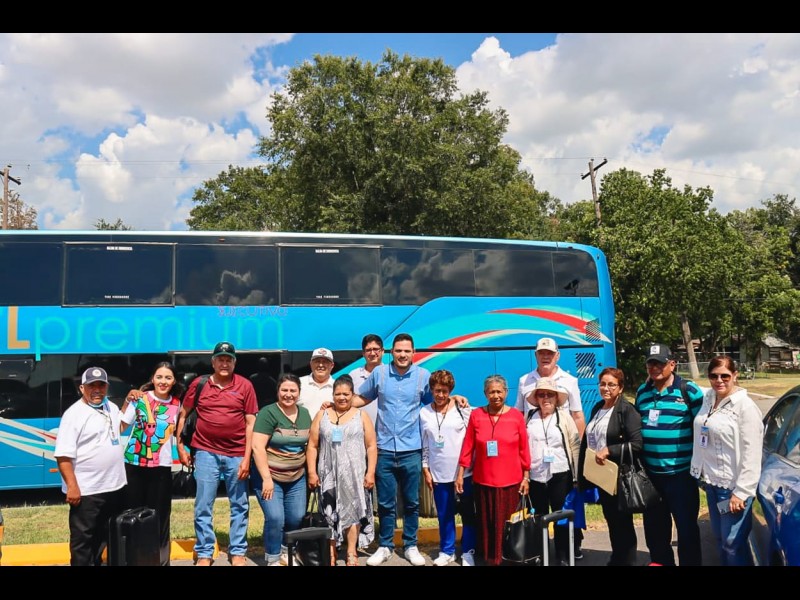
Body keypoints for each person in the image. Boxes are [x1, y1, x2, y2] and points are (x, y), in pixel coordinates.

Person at [352, 332, 432, 567]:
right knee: (386, 503)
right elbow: (362, 398)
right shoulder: (379, 373)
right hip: (384, 448)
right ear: (391, 352)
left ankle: (410, 545)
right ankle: (385, 546)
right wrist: (338, 404)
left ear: (413, 352)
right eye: (398, 351)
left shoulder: (423, 376)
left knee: (411, 502)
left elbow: (435, 402)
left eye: (407, 351)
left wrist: (454, 398)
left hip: (411, 449)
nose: (403, 355)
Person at [176, 341, 258, 567]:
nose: (224, 363)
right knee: (203, 505)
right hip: (205, 452)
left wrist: (247, 458)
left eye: (228, 359)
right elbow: (183, 414)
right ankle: (204, 552)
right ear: (213, 362)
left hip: (237, 453)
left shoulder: (245, 386)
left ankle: (237, 551)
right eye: (220, 359)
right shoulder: (199, 384)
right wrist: (180, 446)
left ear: (234, 363)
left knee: (239, 504)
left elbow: (251, 423)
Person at [514, 337, 587, 557]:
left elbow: (577, 417)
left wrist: (578, 464)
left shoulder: (569, 381)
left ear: (557, 355)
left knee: (563, 509)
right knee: (538, 513)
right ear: (536, 355)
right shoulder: (524, 380)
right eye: (541, 353)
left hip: (560, 465)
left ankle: (568, 550)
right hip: (536, 465)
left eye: (550, 353)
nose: (545, 356)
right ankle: (541, 553)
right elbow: (518, 416)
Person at [635, 343, 704, 566]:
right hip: (651, 477)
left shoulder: (689, 390)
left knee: (687, 530)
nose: (655, 368)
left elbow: (703, 428)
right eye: (651, 363)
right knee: (655, 531)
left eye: (660, 363)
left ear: (672, 364)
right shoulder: (642, 392)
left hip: (681, 476)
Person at [690, 356, 763, 566]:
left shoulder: (745, 407)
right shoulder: (709, 397)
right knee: (721, 539)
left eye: (725, 376)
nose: (719, 380)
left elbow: (752, 453)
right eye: (714, 376)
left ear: (735, 376)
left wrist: (741, 491)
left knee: (733, 543)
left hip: (732, 490)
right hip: (712, 485)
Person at [54, 366, 127, 566]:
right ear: (82, 388)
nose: (97, 390)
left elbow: (118, 428)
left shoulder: (110, 406)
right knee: (83, 541)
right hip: (87, 491)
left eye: (101, 385)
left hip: (113, 487)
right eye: (91, 386)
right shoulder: (73, 415)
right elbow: (63, 455)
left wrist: (128, 403)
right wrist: (72, 486)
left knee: (103, 537)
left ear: (106, 387)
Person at [456, 374, 530, 566]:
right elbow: (468, 446)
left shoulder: (516, 416)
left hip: (511, 482)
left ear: (506, 392)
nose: (495, 395)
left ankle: (510, 556)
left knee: (508, 522)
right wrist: (461, 474)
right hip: (484, 481)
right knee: (487, 521)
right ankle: (490, 557)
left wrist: (526, 477)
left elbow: (524, 448)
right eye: (491, 392)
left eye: (499, 391)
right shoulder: (477, 415)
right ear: (485, 394)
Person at [306, 374, 377, 566]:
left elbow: (371, 446)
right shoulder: (322, 415)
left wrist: (370, 472)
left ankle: (351, 551)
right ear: (333, 395)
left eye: (346, 394)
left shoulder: (361, 416)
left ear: (352, 395)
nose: (342, 397)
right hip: (328, 475)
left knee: (353, 512)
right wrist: (312, 472)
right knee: (329, 513)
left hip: (354, 475)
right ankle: (331, 552)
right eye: (338, 394)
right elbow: (312, 445)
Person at [120, 361, 185, 566]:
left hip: (161, 468)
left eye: (168, 378)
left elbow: (180, 434)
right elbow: (120, 426)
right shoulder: (140, 399)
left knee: (160, 517)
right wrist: (127, 400)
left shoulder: (177, 404)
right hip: (134, 465)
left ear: (174, 381)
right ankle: (132, 559)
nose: (163, 381)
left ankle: (159, 561)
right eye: (159, 377)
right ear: (152, 379)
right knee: (132, 513)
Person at [578, 367, 642, 566]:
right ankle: (617, 558)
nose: (606, 388)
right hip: (602, 477)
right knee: (612, 520)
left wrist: (609, 450)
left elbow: (637, 444)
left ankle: (628, 561)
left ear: (620, 388)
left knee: (623, 523)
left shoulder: (627, 410)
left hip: (620, 477)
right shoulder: (598, 407)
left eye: (611, 385)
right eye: (603, 384)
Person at [251, 373, 313, 566]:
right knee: (275, 518)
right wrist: (266, 479)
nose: (288, 394)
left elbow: (309, 445)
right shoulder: (268, 413)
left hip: (297, 476)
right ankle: (273, 557)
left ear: (299, 392)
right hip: (269, 476)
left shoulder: (305, 414)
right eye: (284, 390)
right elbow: (257, 447)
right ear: (278, 391)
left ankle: (287, 552)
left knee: (296, 517)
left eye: (293, 390)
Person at [420, 369, 476, 566]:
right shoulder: (424, 413)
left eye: (445, 391)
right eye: (437, 391)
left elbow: (471, 441)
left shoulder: (463, 409)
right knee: (445, 515)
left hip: (464, 473)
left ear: (450, 390)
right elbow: (425, 444)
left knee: (468, 515)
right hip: (438, 473)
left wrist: (464, 469)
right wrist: (426, 469)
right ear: (431, 390)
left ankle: (468, 551)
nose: (441, 395)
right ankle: (447, 551)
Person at [524, 377, 580, 566]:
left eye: (550, 394)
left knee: (560, 516)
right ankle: (540, 553)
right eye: (541, 394)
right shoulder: (529, 417)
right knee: (538, 516)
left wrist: (576, 475)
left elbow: (575, 445)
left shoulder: (564, 417)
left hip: (560, 473)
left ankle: (562, 553)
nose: (546, 398)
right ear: (536, 398)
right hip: (536, 475)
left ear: (556, 398)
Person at [348, 333, 384, 425]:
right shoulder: (353, 375)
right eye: (368, 350)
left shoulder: (390, 375)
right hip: (359, 430)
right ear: (363, 353)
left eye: (376, 349)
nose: (372, 353)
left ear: (382, 351)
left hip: (385, 431)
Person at [297, 347, 335, 418]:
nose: (320, 365)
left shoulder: (338, 386)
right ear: (311, 364)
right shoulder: (298, 383)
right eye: (317, 361)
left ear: (332, 365)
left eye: (325, 362)